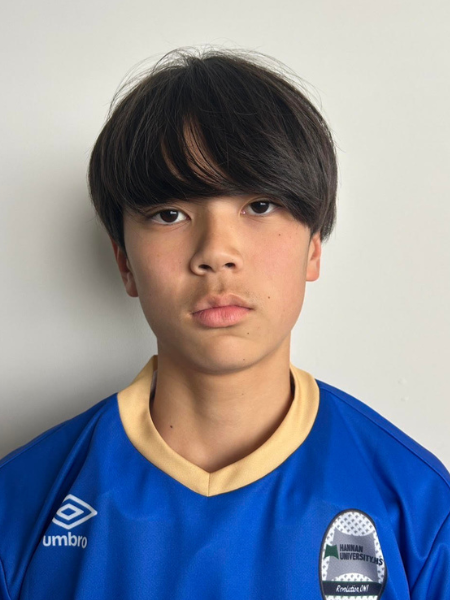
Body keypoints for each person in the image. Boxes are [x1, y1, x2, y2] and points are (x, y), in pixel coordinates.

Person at [0, 47, 449, 600]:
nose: (216, 252)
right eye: (170, 214)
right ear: (124, 262)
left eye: (259, 206)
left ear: (314, 247)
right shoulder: (19, 505)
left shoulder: (419, 510)